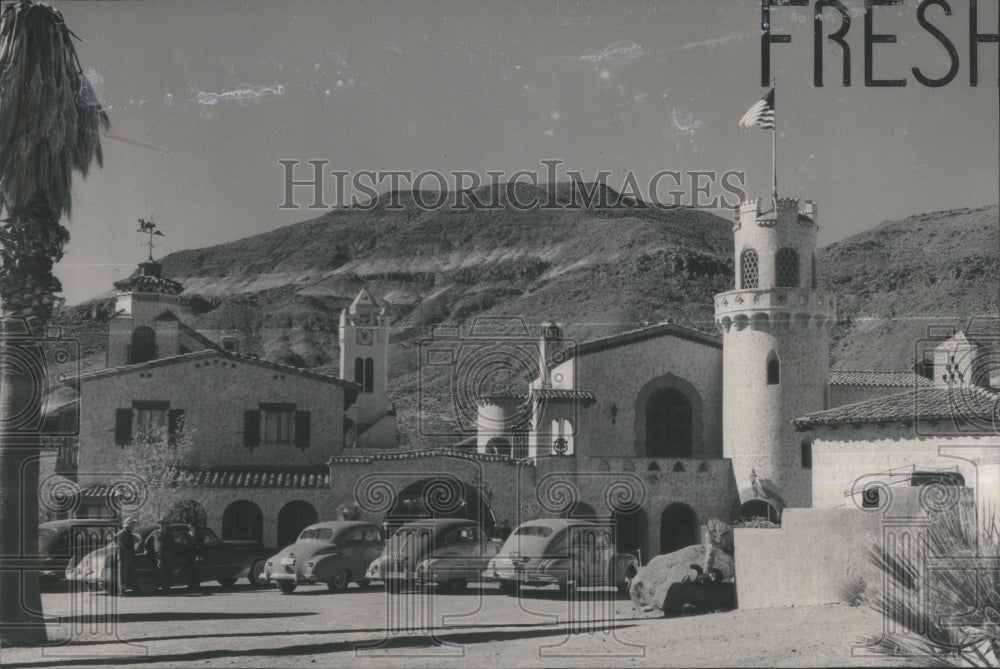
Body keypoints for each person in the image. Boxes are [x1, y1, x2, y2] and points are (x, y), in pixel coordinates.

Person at [144, 519, 175, 593]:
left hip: (168, 554)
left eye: (164, 524)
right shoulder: (155, 533)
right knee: (161, 570)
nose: (162, 525)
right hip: (159, 554)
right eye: (160, 524)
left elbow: (173, 544)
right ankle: (164, 588)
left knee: (169, 570)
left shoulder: (169, 534)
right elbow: (146, 542)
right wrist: (149, 551)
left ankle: (167, 587)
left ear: (166, 525)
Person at [113, 517, 138, 596]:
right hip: (123, 555)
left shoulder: (129, 533)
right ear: (129, 525)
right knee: (122, 574)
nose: (134, 525)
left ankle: (128, 590)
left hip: (129, 554)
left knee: (128, 573)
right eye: (133, 524)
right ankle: (122, 592)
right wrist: (121, 546)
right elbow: (115, 537)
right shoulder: (123, 532)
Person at [183, 523, 205, 594]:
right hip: (188, 556)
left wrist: (199, 555)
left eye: (192, 527)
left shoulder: (199, 535)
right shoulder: (186, 535)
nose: (190, 528)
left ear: (195, 527)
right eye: (189, 527)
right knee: (189, 572)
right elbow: (184, 545)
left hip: (196, 555)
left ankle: (196, 588)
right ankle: (189, 588)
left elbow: (201, 546)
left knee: (197, 573)